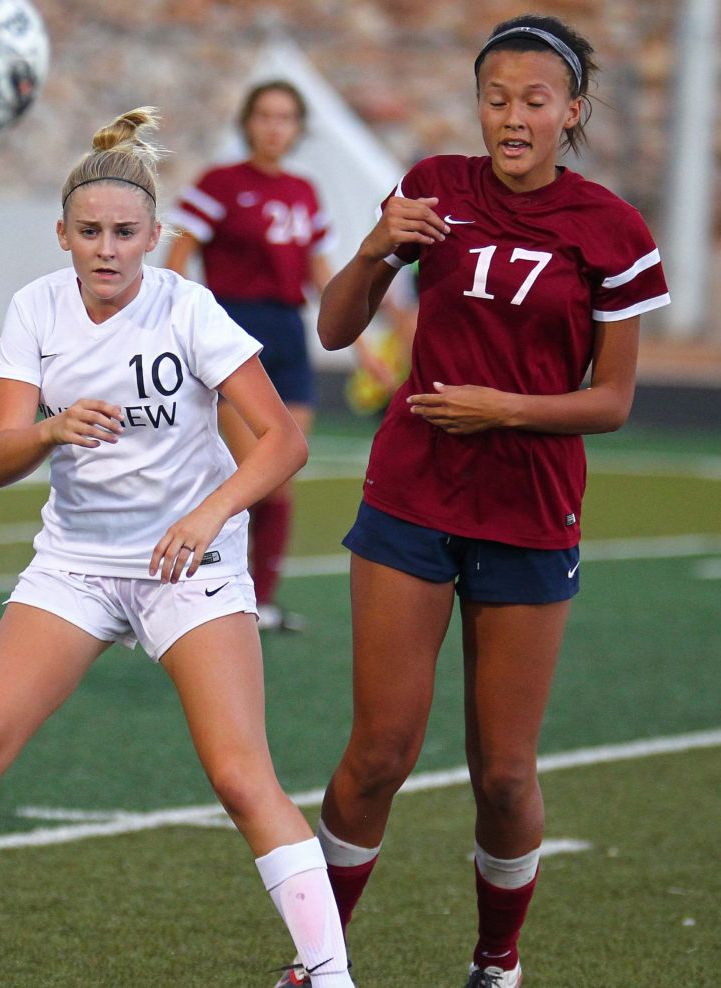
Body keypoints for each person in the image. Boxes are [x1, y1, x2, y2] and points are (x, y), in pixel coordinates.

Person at [0, 108, 354, 988]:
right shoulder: (34, 308)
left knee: (242, 777)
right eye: (90, 232)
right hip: (76, 565)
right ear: (62, 235)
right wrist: (50, 430)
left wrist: (208, 517)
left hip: (186, 568)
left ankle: (330, 977)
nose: (108, 249)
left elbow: (282, 441)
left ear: (156, 237)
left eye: (126, 233)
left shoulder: (188, 306)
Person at [277, 15, 671, 988]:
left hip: (531, 510)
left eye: (534, 101)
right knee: (376, 751)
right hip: (411, 493)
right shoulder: (431, 185)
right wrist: (375, 243)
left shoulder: (611, 230)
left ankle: (496, 963)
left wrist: (506, 408)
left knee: (502, 772)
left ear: (571, 111)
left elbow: (613, 401)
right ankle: (319, 965)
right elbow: (333, 329)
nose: (511, 117)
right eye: (495, 98)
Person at [166, 80, 335, 632]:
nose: (274, 127)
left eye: (286, 117)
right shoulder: (221, 182)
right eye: (264, 115)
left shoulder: (306, 190)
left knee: (282, 474)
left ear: (298, 128)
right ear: (247, 122)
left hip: (289, 333)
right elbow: (179, 253)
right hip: (236, 331)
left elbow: (319, 270)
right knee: (248, 473)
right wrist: (185, 321)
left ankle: (259, 602)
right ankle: (207, 593)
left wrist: (363, 337)